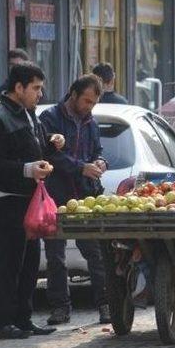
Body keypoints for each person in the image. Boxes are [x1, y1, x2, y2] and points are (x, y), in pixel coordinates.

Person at [0, 61, 65, 340]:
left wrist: (51, 142)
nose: (40, 94)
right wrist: (27, 169)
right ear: (19, 88)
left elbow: (33, 144)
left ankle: (23, 319)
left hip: (29, 202)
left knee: (29, 264)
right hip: (6, 203)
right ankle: (1, 323)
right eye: (36, 88)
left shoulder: (28, 114)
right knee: (8, 264)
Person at [39, 74, 111, 325]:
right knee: (56, 256)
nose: (89, 107)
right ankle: (60, 307)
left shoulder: (90, 123)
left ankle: (105, 304)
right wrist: (81, 167)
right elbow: (48, 156)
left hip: (85, 197)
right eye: (86, 101)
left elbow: (98, 151)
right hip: (56, 196)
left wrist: (102, 162)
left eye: (93, 103)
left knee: (95, 252)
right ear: (73, 94)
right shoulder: (50, 118)